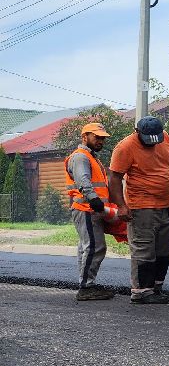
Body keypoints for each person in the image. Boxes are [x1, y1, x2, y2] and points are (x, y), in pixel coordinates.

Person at [108, 115, 169, 305]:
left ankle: (156, 287)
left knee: (163, 250)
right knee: (144, 250)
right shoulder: (125, 147)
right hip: (141, 207)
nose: (153, 142)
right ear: (137, 132)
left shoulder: (163, 137)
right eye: (149, 139)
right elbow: (115, 179)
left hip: (165, 205)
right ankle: (141, 291)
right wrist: (122, 206)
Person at [64, 122, 115, 301]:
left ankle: (86, 283)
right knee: (95, 246)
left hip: (89, 209)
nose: (100, 141)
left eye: (102, 138)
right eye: (97, 137)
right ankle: (86, 287)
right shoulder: (81, 157)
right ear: (84, 137)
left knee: (87, 247)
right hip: (86, 208)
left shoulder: (91, 157)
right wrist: (93, 199)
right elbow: (83, 180)